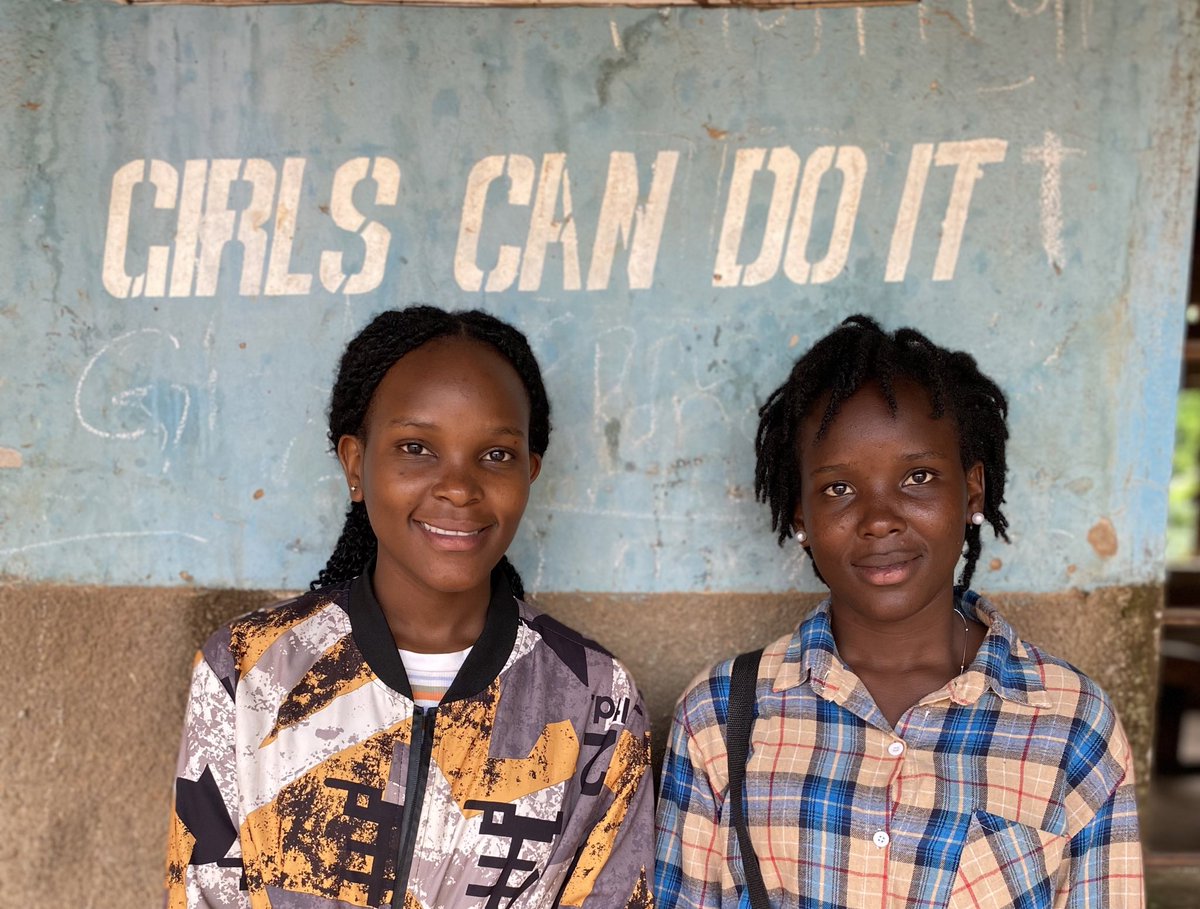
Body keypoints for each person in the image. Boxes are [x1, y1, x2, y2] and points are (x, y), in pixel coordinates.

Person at [165, 305, 655, 909]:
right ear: (355, 464)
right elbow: (205, 890)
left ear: (531, 471)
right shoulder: (249, 668)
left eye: (496, 455)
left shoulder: (595, 698)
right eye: (417, 447)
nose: (458, 486)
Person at [654, 315, 1143, 908]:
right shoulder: (721, 718)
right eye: (838, 488)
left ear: (972, 492)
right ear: (801, 515)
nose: (879, 518)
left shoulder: (1069, 725)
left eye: (918, 477)